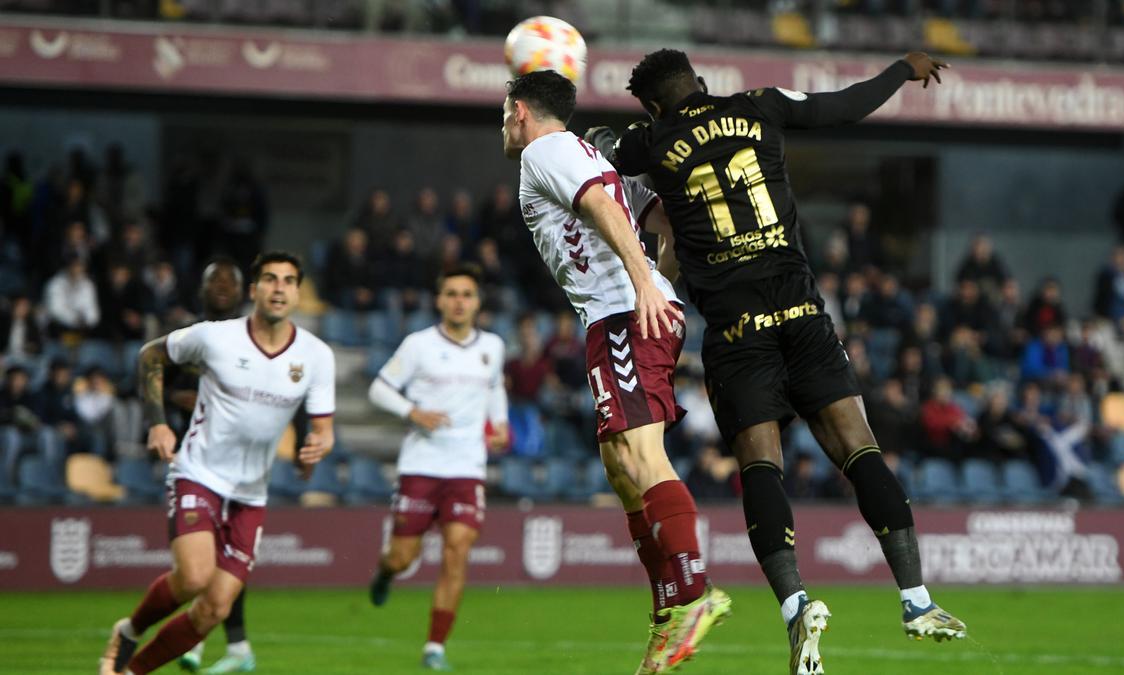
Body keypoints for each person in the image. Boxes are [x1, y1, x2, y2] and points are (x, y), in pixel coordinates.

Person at [602, 48, 966, 674]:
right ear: (703, 82)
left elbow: (594, 156)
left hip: (738, 333)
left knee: (761, 468)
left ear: (655, 104)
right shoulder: (761, 106)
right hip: (802, 315)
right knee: (861, 451)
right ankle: (917, 600)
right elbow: (844, 106)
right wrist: (901, 70)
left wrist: (600, 135)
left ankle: (796, 605)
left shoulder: (652, 140)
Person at [502, 70, 730, 674]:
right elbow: (668, 223)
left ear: (521, 111)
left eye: (505, 112)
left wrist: (643, 288)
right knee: (620, 468)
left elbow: (600, 206)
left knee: (639, 456)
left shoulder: (544, 150)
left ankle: (695, 592)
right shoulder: (590, 154)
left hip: (623, 311)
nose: (503, 124)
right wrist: (660, 282)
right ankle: (665, 615)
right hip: (622, 313)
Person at [98, 252, 335, 675]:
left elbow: (322, 425)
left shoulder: (317, 356)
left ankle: (130, 672)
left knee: (215, 609)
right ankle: (130, 630)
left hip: (250, 495)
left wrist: (319, 442)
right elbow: (151, 356)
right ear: (254, 290)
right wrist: (158, 424)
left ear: (298, 293)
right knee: (192, 577)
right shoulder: (215, 337)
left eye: (288, 281)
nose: (279, 288)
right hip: (200, 474)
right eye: (269, 279)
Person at [365, 264, 509, 671]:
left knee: (456, 552)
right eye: (452, 294)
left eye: (467, 294)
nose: (459, 301)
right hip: (422, 465)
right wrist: (413, 411)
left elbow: (494, 387)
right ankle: (385, 572)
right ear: (440, 300)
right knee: (401, 556)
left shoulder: (493, 347)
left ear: (477, 302)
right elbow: (379, 388)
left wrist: (499, 424)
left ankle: (434, 647)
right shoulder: (418, 345)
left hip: (467, 468)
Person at [169, 258, 258, 673]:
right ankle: (228, 645)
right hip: (187, 457)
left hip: (237, 465)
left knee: (223, 560)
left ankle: (213, 645)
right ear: (201, 289)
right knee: (200, 560)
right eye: (214, 280)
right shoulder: (186, 336)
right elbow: (147, 376)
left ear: (242, 291)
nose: (222, 286)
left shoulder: (254, 340)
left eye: (230, 279)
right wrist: (173, 403)